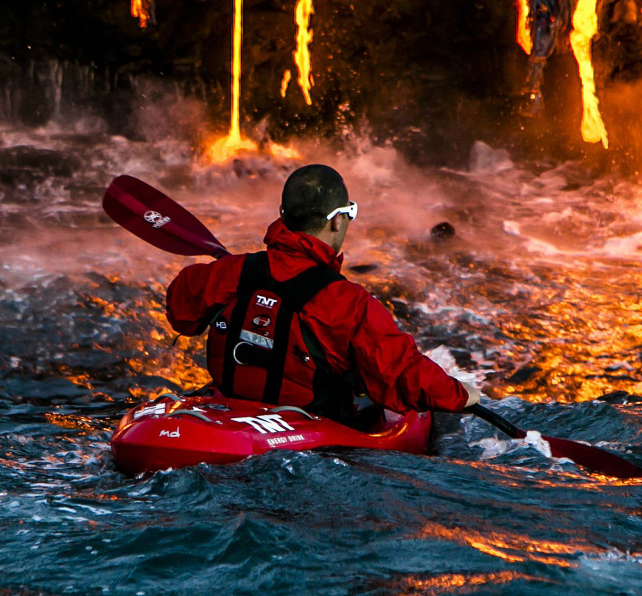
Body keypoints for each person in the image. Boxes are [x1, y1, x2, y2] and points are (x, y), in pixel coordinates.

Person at [165, 164, 482, 426]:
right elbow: (399, 372)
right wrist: (459, 393)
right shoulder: (349, 303)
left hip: (227, 418)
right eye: (350, 213)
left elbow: (181, 312)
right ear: (336, 219)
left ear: (283, 214)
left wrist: (231, 276)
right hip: (307, 436)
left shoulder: (231, 272)